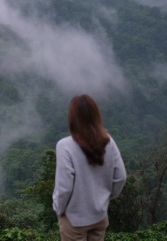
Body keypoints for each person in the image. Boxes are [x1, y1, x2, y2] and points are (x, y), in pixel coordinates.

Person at [53, 94, 127, 241]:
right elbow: (121, 177)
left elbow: (64, 187)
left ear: (73, 118)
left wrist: (58, 209)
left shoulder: (65, 146)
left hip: (74, 220)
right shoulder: (108, 141)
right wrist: (105, 197)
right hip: (99, 217)